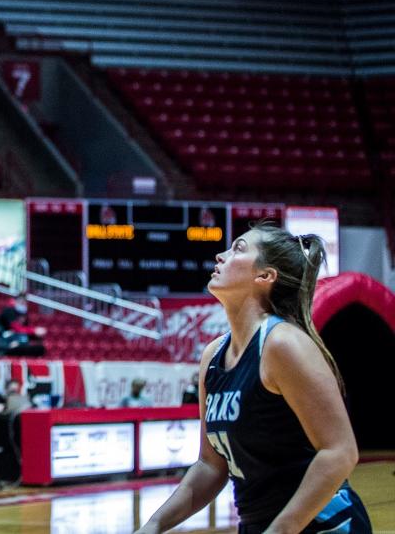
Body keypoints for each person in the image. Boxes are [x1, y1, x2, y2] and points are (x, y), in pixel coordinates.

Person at [134, 225, 370, 534]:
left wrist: (281, 529)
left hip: (321, 525)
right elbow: (210, 466)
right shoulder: (213, 356)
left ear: (265, 276)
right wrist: (154, 524)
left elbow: (340, 451)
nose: (220, 256)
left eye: (238, 249)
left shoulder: (282, 344)